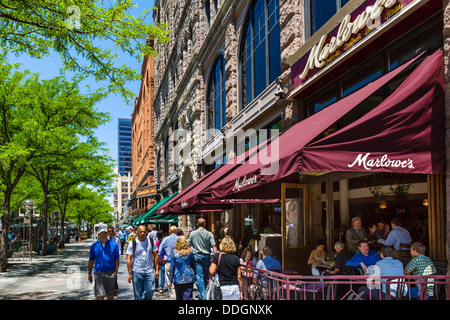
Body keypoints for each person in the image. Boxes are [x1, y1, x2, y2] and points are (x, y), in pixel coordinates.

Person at [126, 225, 159, 300]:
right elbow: (129, 259)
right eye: (141, 232)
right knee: (138, 295)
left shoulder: (151, 241)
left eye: (144, 232)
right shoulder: (132, 243)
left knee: (149, 292)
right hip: (137, 271)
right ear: (137, 232)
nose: (143, 233)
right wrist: (130, 273)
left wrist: (157, 270)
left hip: (149, 271)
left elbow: (156, 255)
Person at [188, 218, 217, 300]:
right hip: (206, 256)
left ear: (197, 224)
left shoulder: (193, 233)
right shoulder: (209, 234)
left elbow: (188, 244)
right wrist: (217, 255)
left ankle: (203, 293)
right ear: (205, 224)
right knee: (205, 275)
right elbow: (214, 246)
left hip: (197, 255)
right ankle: (203, 293)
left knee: (200, 275)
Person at [88, 227, 120, 300]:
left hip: (110, 273)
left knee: (110, 294)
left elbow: (116, 258)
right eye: (102, 233)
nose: (104, 235)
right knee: (100, 295)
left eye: (105, 233)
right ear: (98, 235)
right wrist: (89, 273)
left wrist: (116, 270)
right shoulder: (94, 246)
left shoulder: (113, 244)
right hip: (98, 272)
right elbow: (91, 260)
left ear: (107, 234)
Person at [209, 236, 242, 300]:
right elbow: (239, 277)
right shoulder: (236, 258)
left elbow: (211, 271)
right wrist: (241, 292)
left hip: (222, 287)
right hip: (234, 288)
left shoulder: (217, 257)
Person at [168, 236, 196, 300]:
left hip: (178, 277)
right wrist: (195, 273)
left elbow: (172, 266)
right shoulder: (190, 252)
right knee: (188, 296)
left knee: (179, 297)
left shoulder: (174, 253)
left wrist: (170, 278)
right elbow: (194, 264)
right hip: (189, 277)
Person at [159, 225, 179, 300]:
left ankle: (172, 297)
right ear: (176, 231)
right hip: (178, 262)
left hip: (168, 262)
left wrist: (161, 259)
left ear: (170, 231)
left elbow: (160, 251)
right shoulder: (179, 239)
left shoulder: (165, 239)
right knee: (177, 279)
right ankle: (176, 295)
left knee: (169, 280)